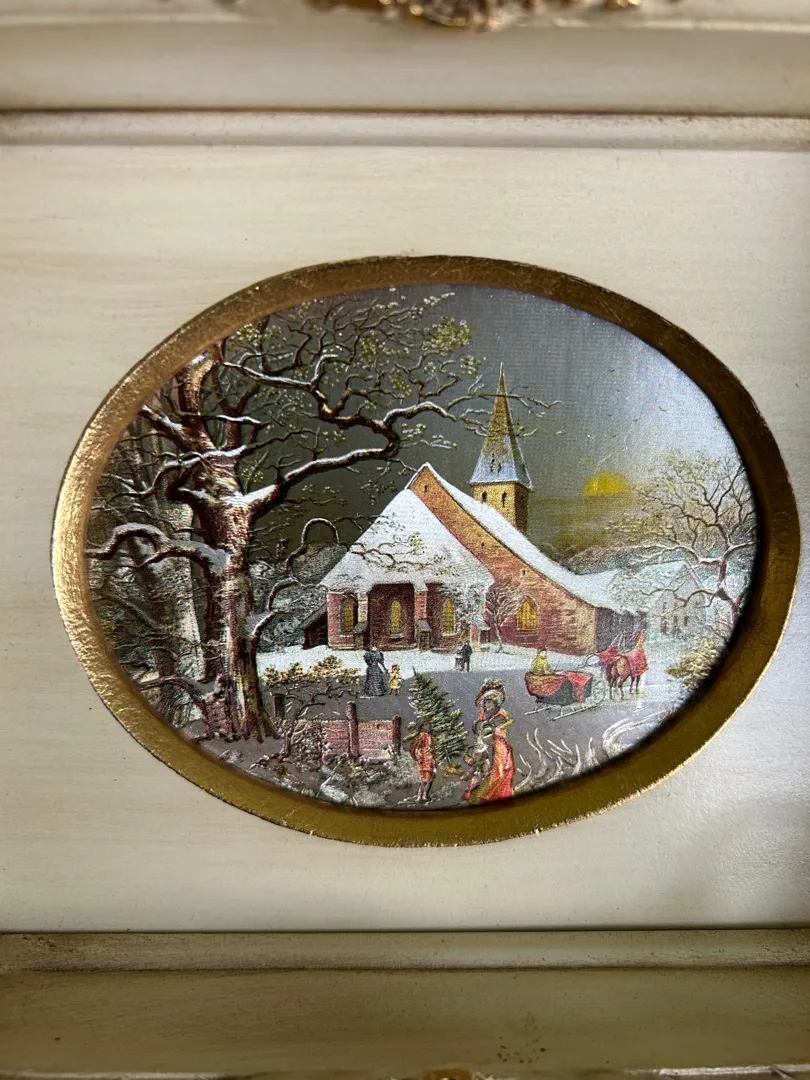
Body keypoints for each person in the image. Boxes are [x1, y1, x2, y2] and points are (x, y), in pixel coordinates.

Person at [468, 679, 514, 804]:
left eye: (490, 702)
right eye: (486, 702)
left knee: (499, 769)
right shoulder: (482, 714)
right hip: (483, 743)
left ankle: (495, 794)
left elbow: (500, 730)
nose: (487, 704)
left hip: (497, 744)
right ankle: (479, 793)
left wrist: (493, 732)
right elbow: (479, 729)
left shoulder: (501, 714)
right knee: (480, 767)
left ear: (495, 702)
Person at [407, 724, 435, 804]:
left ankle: (423, 796)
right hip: (423, 760)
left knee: (429, 779)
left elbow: (431, 749)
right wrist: (417, 757)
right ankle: (420, 797)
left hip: (429, 760)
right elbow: (415, 746)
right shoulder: (423, 735)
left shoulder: (430, 737)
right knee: (425, 779)